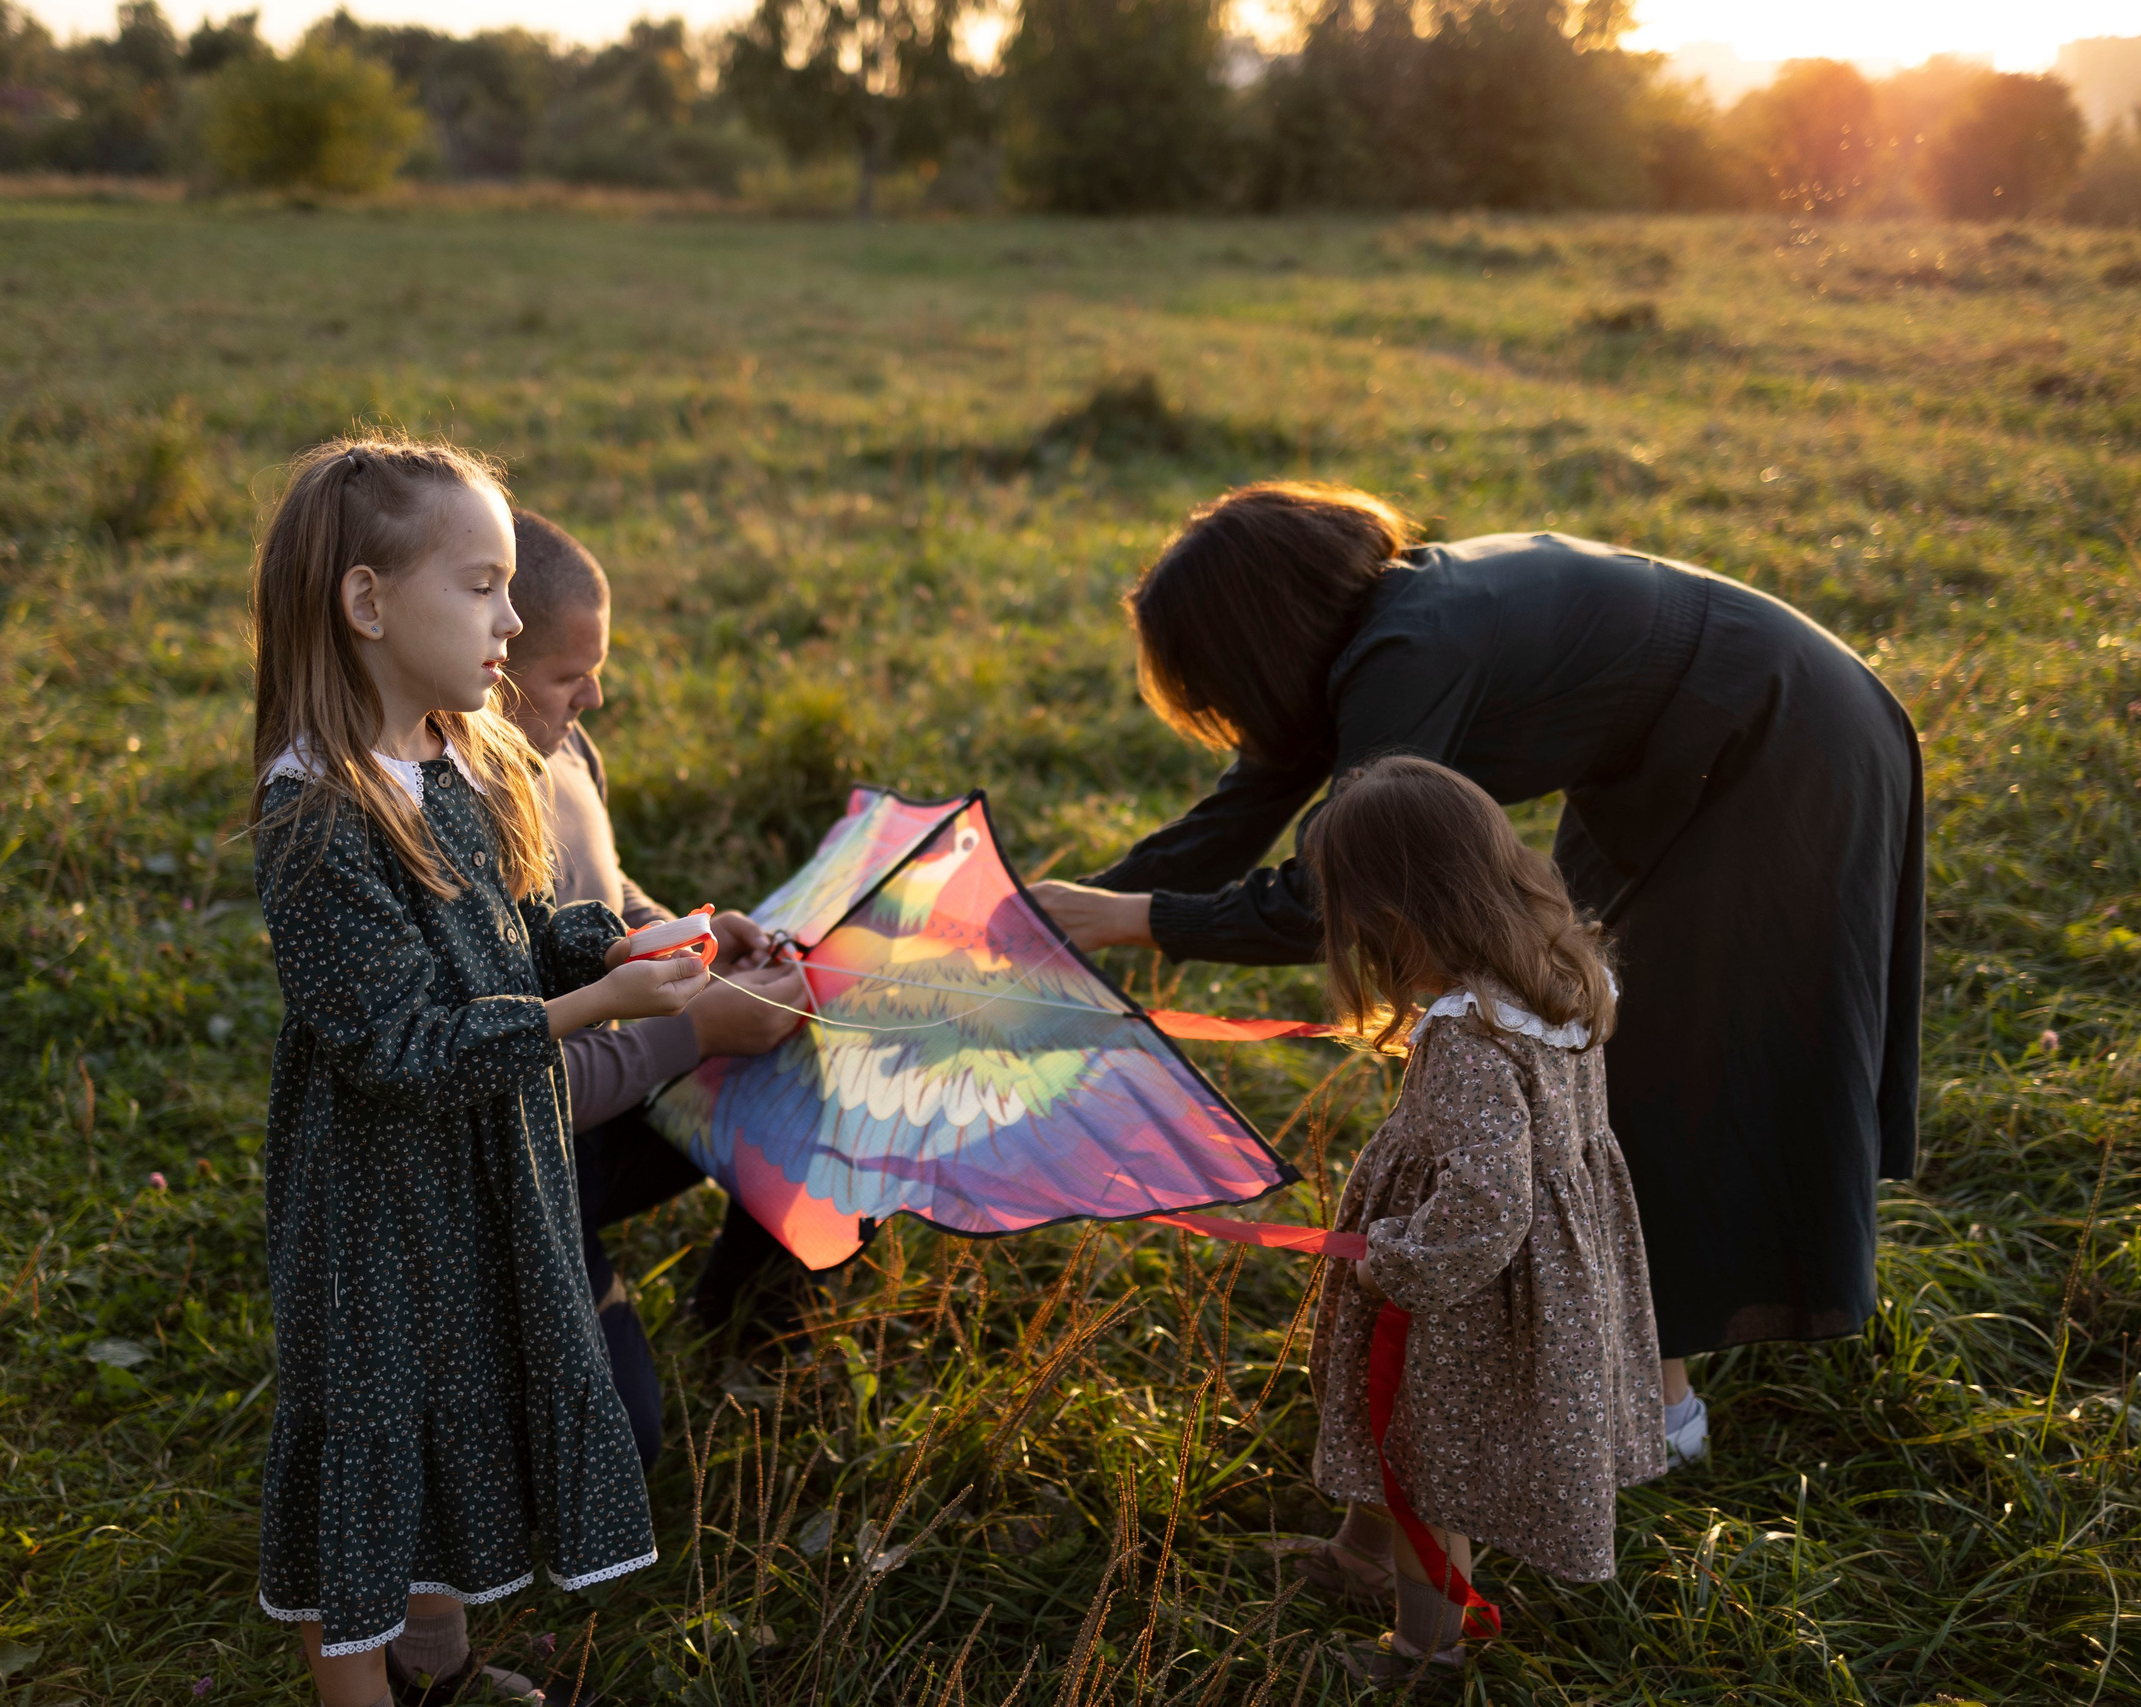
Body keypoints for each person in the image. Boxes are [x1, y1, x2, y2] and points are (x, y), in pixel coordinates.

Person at [1032, 483, 1923, 1464]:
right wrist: (1046, 919)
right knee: (1586, 1053)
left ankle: (1658, 1415)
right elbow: (1232, 819)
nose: (1221, 712)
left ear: (1255, 642)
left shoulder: (1410, 651)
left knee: (1663, 1071)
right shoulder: (1374, 640)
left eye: (1215, 681)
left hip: (1776, 746)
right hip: (1683, 759)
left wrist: (1130, 922)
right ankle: (1613, 1374)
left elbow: (1343, 891)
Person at [246, 437, 713, 1707]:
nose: (512, 617)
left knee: (462, 1400)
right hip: (378, 1198)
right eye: (482, 586)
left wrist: (617, 943)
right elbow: (399, 1049)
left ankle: (438, 1662)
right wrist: (596, 1007)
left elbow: (517, 931)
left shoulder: (473, 757)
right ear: (366, 603)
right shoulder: (321, 815)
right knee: (372, 1443)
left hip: (482, 1163)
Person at [1281, 755, 1662, 1685]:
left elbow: (1488, 1202)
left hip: (1464, 1294)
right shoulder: (1561, 978)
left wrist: (1395, 1263)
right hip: (1547, 1272)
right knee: (1401, 1429)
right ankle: (1361, 1553)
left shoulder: (1466, 1033)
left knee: (1429, 1459)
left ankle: (1425, 1652)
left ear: (1397, 923)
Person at [502, 509, 810, 1468]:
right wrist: (701, 1030)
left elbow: (609, 891)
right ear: (487, 672)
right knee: (619, 1451)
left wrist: (697, 935)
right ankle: (513, 1310)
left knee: (816, 1043)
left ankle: (743, 1308)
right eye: (568, 676)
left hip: (621, 1096)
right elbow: (528, 1080)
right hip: (523, 1166)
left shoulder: (562, 750)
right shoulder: (466, 827)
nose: (596, 692)